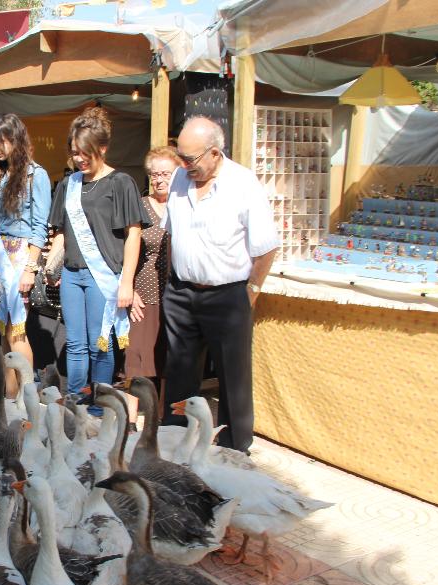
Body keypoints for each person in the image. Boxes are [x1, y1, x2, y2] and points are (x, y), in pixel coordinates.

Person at [161, 116, 279, 454]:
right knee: (180, 371)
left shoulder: (243, 183)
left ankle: (234, 450)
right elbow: (172, 234)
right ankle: (174, 445)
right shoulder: (179, 180)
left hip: (228, 294)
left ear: (214, 152)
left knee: (233, 377)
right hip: (182, 292)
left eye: (190, 159)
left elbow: (267, 246)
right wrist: (174, 279)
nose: (183, 165)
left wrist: (251, 291)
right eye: (180, 157)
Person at [45, 107, 148, 409]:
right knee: (75, 344)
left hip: (103, 276)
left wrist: (126, 282)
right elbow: (62, 232)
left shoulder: (121, 183)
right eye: (75, 152)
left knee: (100, 344)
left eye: (85, 153)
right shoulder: (68, 184)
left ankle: (101, 404)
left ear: (102, 148)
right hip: (72, 274)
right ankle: (76, 399)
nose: (79, 159)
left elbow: (133, 234)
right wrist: (50, 265)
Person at [0, 113, 51, 398]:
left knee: (17, 328)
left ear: (15, 139)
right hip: (0, 255)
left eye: (0, 142)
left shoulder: (37, 175)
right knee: (5, 329)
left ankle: (26, 397)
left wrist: (30, 268)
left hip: (22, 257)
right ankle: (10, 395)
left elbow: (39, 226)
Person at [119, 146, 178, 424]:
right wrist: (129, 289)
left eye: (165, 173)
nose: (158, 179)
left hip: (175, 296)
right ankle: (130, 419)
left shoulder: (183, 205)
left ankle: (163, 420)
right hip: (143, 294)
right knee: (135, 359)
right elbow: (123, 250)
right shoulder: (140, 207)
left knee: (168, 359)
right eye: (154, 174)